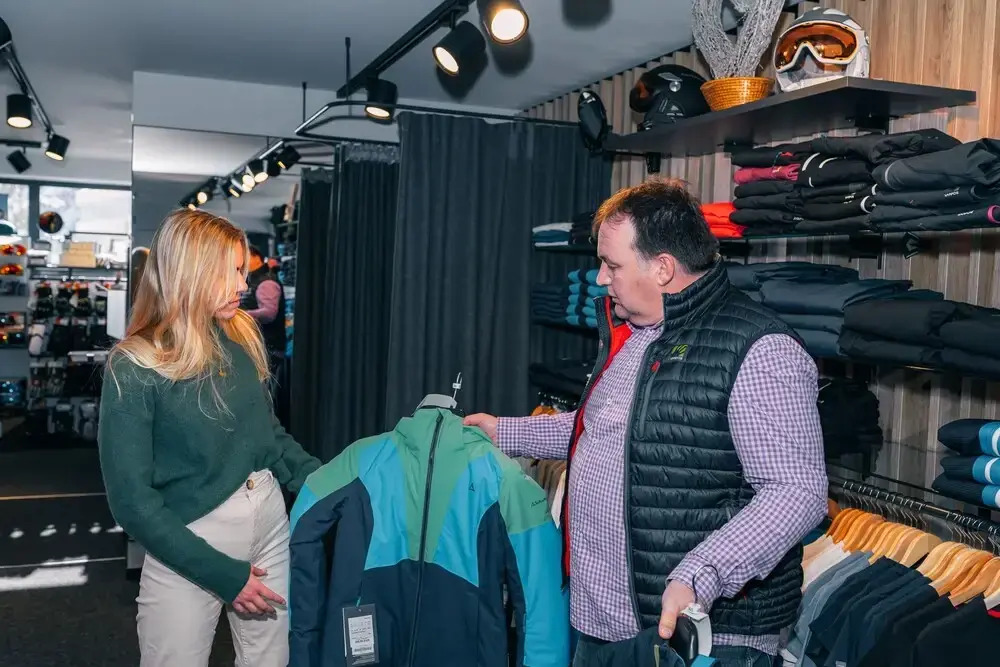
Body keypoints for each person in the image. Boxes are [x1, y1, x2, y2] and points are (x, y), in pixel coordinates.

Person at [465, 180, 828, 667]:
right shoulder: (635, 335)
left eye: (611, 265)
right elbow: (606, 429)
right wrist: (503, 433)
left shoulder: (760, 349)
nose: (600, 278)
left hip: (697, 638)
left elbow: (797, 492)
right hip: (603, 626)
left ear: (662, 268)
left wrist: (702, 572)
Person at [98, 210, 321, 667]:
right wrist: (224, 575)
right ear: (191, 272)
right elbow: (132, 502)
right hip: (186, 543)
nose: (244, 283)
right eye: (232, 271)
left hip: (269, 521)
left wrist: (330, 485)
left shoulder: (238, 337)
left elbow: (270, 439)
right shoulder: (135, 365)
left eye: (243, 270)